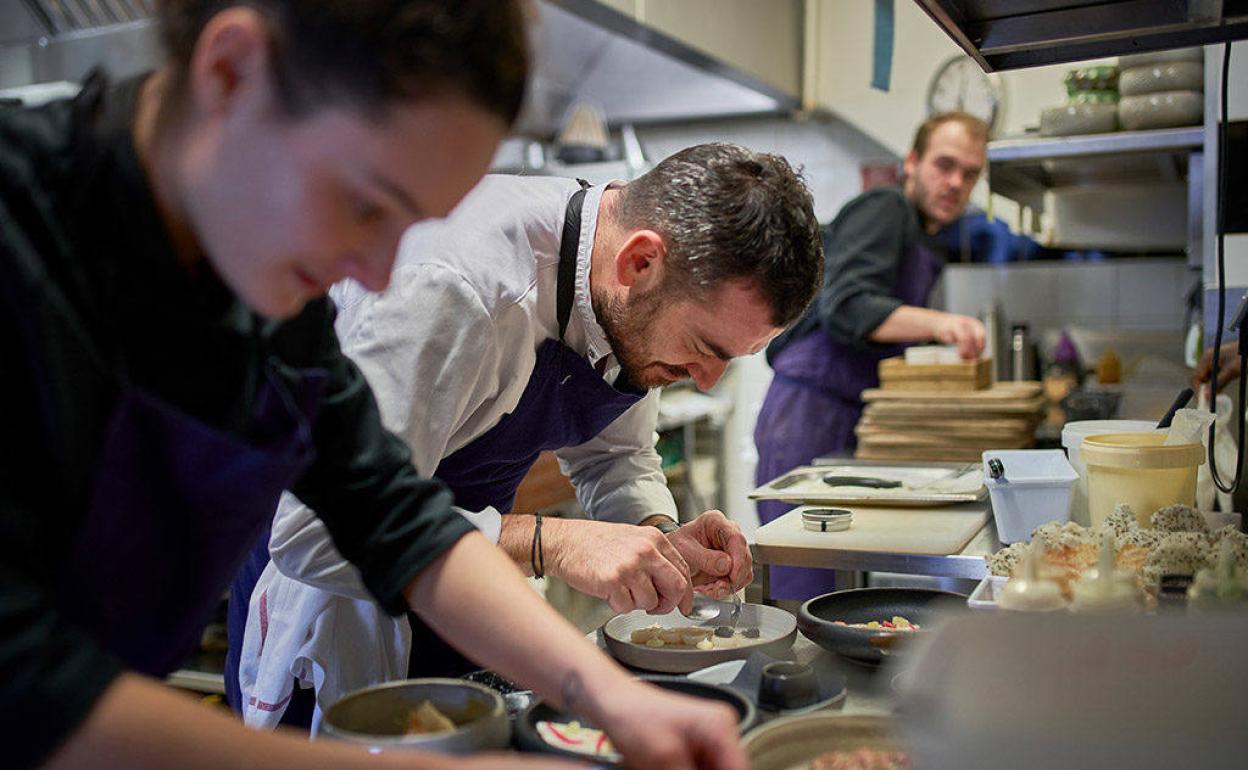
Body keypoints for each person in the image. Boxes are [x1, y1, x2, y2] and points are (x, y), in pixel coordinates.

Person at [0, 2, 747, 769]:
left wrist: (612, 698)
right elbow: (27, 685)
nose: (381, 271)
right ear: (231, 73)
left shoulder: (259, 272)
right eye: (365, 203)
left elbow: (394, 518)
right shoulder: (23, 235)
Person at [234, 143, 825, 729]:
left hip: (464, 593)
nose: (707, 380)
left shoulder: (623, 291)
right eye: (704, 349)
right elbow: (312, 532)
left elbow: (616, 458)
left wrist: (659, 537)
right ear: (640, 263)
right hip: (332, 602)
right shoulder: (455, 289)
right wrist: (553, 543)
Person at [752, 112, 989, 601]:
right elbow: (849, 306)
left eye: (969, 174)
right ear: (912, 162)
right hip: (808, 415)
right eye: (945, 165)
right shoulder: (885, 208)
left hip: (844, 415)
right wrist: (941, 324)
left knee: (838, 583)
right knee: (806, 582)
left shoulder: (926, 234)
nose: (955, 182)